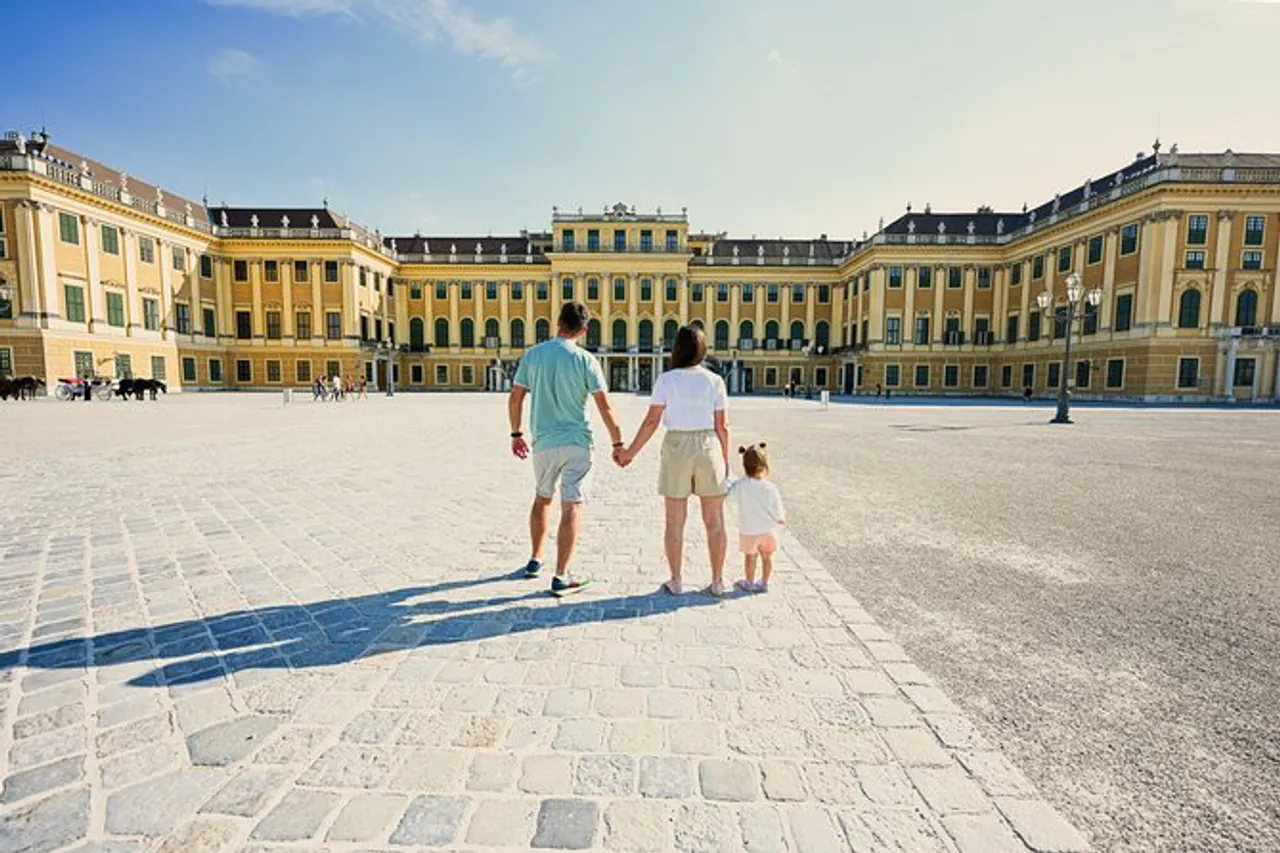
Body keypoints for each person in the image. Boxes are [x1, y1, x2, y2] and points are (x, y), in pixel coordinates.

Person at [509, 302, 625, 597]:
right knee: (571, 505)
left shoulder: (533, 355)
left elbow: (516, 398)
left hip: (544, 443)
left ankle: (535, 560)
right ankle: (561, 575)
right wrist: (617, 443)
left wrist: (516, 433)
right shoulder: (586, 360)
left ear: (557, 323)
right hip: (577, 443)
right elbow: (605, 406)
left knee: (542, 499)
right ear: (584, 330)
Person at [617, 325, 731, 596]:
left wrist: (630, 453)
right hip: (708, 444)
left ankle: (677, 580)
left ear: (677, 349)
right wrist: (724, 459)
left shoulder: (666, 380)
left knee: (674, 520)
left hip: (677, 445)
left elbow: (653, 421)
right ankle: (717, 581)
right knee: (715, 520)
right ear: (703, 350)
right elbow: (723, 425)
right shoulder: (714, 380)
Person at [727, 443, 787, 593]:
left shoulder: (740, 485)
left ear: (745, 465)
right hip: (769, 530)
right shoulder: (771, 488)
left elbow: (730, 497)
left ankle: (749, 582)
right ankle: (764, 583)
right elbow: (777, 507)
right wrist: (780, 518)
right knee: (767, 558)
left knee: (751, 557)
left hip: (750, 529)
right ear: (765, 465)